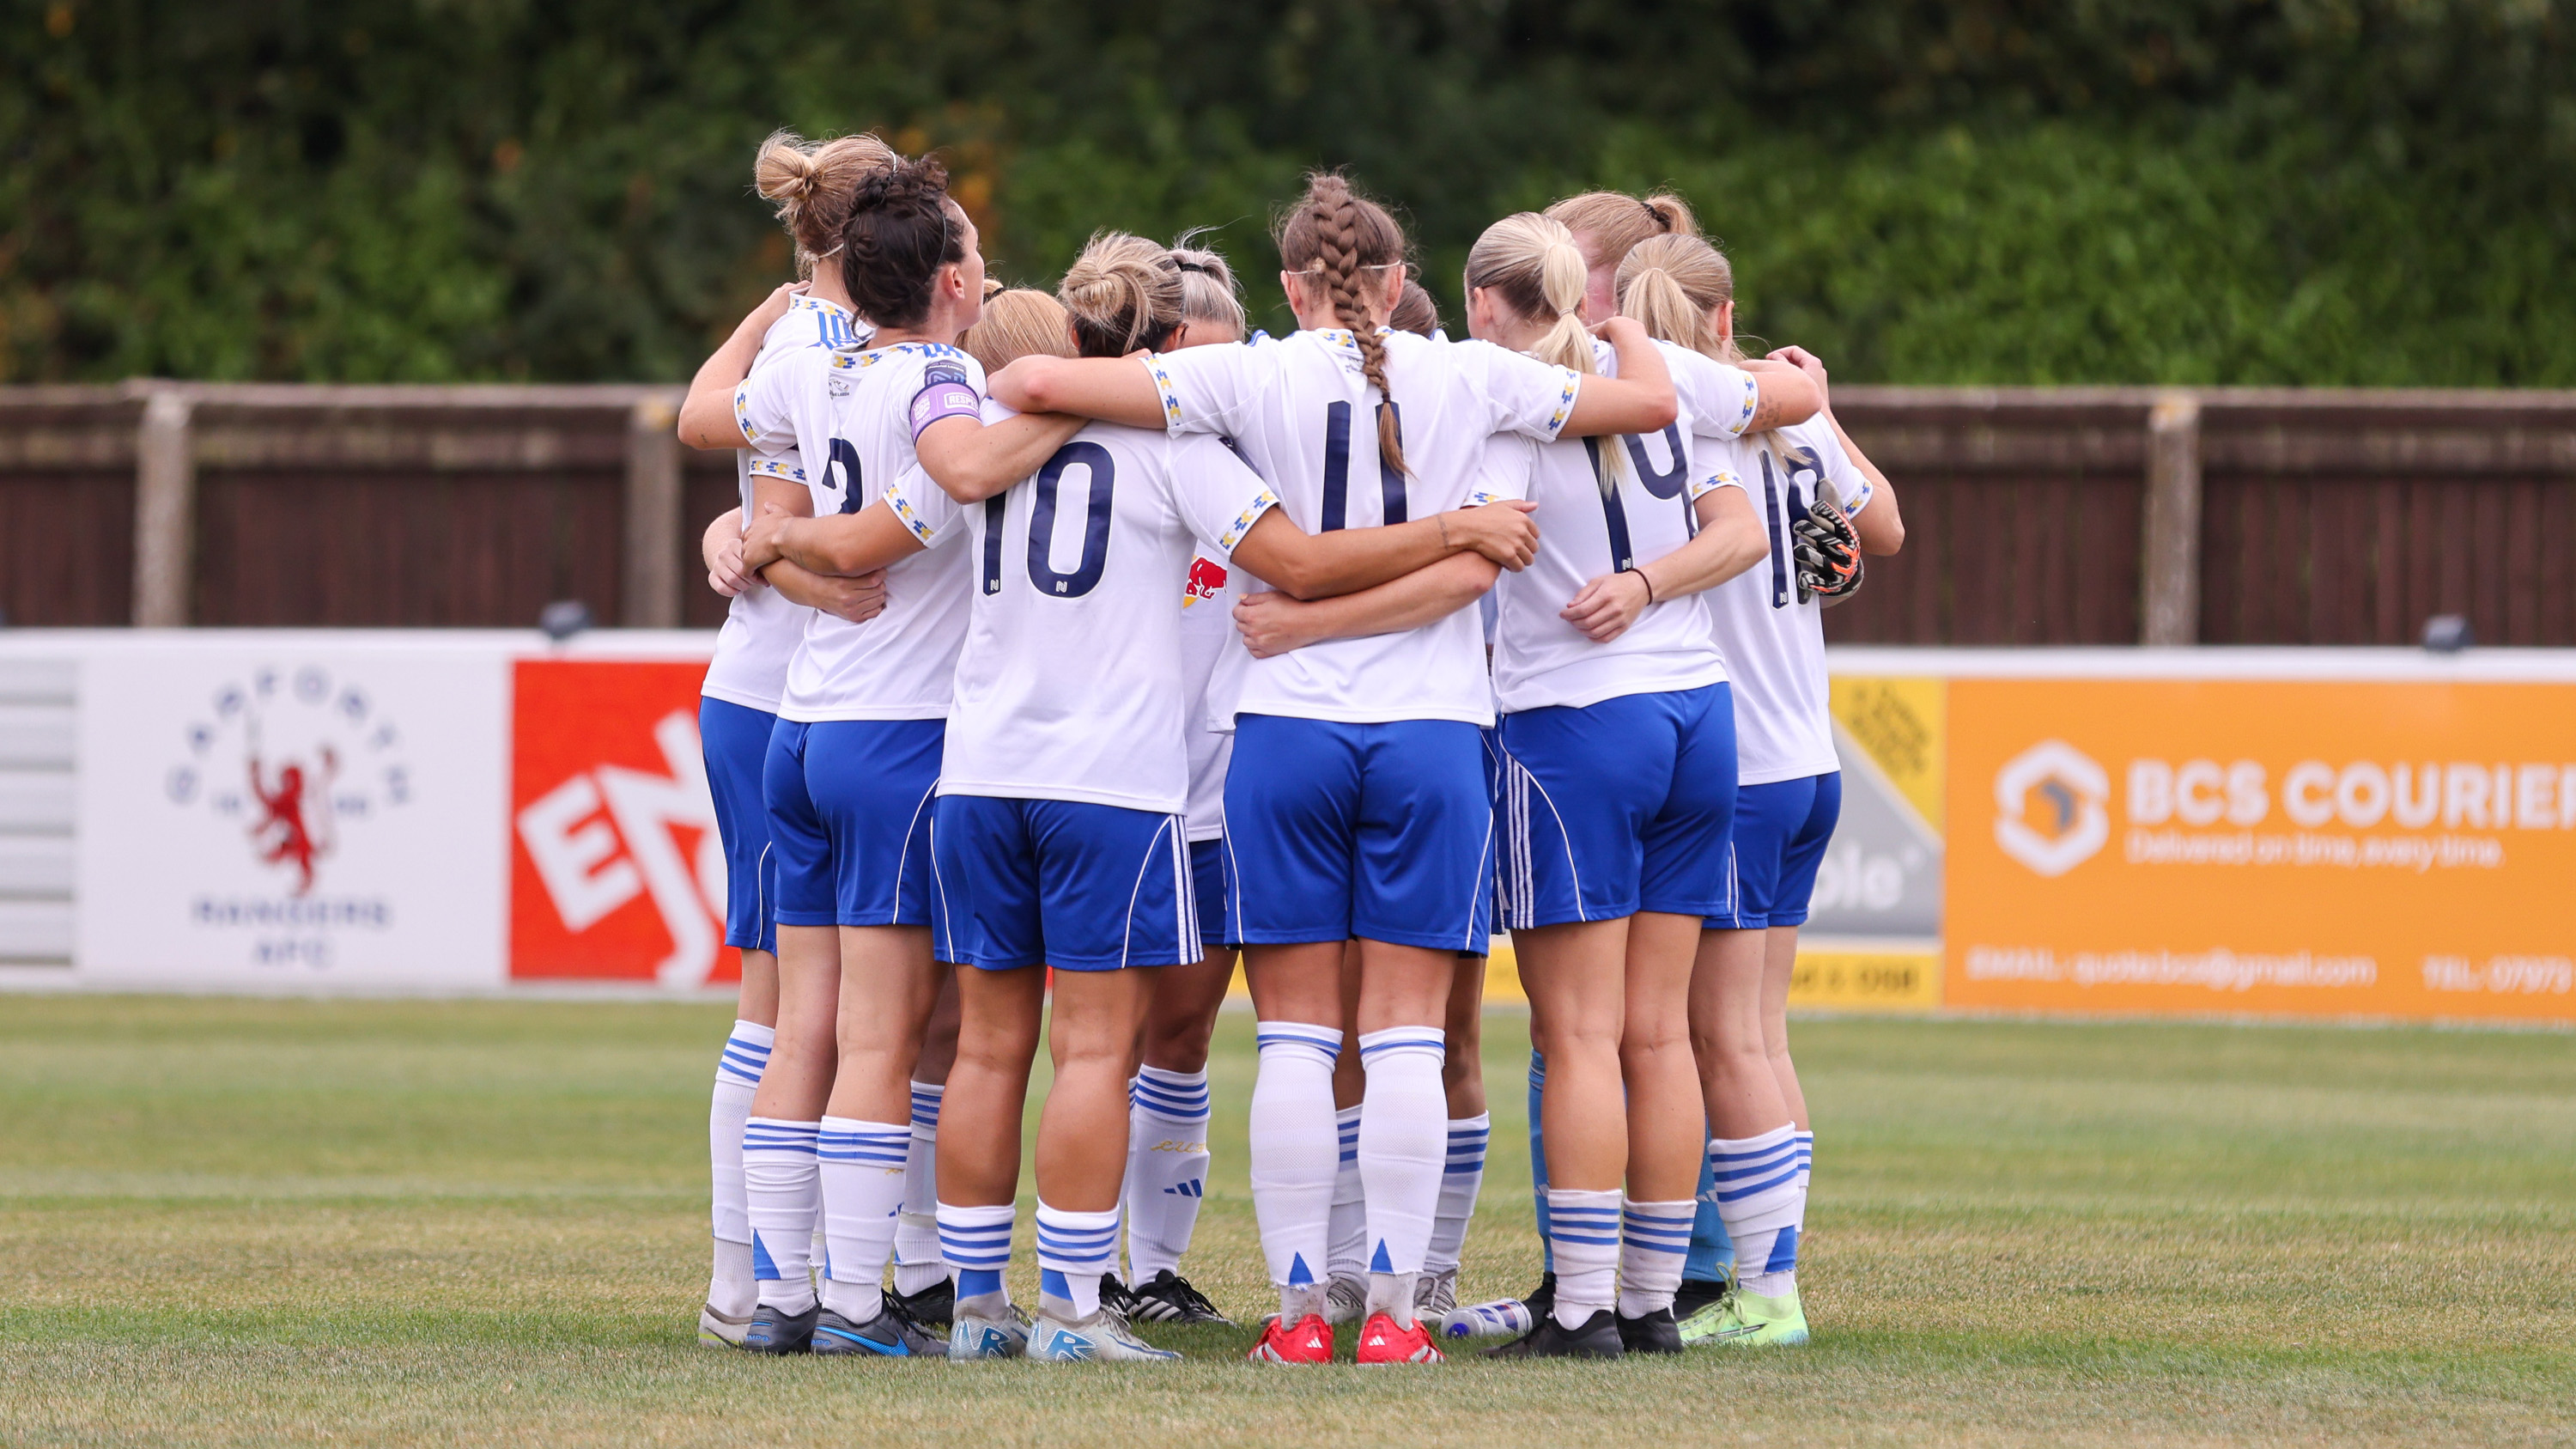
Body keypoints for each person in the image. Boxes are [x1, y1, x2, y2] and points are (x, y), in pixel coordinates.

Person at [992, 171, 1680, 1367]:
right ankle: (1399, 1315)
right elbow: (1649, 406)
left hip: (1286, 735)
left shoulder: (1251, 370)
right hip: (1432, 731)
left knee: (1300, 1038)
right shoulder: (1473, 372)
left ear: (1296, 286)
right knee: (1412, 1036)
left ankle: (1303, 1313)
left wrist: (1133, 393)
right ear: (1403, 282)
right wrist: (1624, 316)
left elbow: (1033, 378)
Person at [922, 233, 1545, 1363]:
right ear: (1164, 350)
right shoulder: (1181, 453)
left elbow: (924, 506)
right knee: (1107, 1047)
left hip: (978, 770)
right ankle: (1077, 1305)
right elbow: (1296, 562)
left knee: (985, 1047)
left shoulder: (983, 453)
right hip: (1111, 778)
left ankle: (972, 1304)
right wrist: (1454, 525)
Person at [726, 154, 1084, 1357]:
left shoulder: (815, 360)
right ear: (942, 283)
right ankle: (856, 1303)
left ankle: (778, 1295)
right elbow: (934, 495)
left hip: (804, 729)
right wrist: (1091, 393)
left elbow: (764, 517)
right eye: (974, 253)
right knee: (878, 1038)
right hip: (896, 735)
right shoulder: (941, 378)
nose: (988, 270)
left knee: (803, 1027)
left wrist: (785, 548)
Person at [1466, 213, 1812, 1359]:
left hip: (1576, 721)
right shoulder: (1660, 374)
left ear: (1487, 301)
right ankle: (1655, 1300)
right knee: (1657, 1034)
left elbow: (1482, 548)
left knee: (1579, 1033)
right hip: (1699, 717)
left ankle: (1580, 1309)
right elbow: (1738, 528)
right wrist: (1651, 583)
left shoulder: (1510, 389)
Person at [1617, 231, 1902, 1349]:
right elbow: (1882, 525)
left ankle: (1766, 1287)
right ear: (1729, 317)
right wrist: (1818, 405)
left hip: (1735, 765)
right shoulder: (1789, 419)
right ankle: (1768, 1275)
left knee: (1721, 1035)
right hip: (1809, 759)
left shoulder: (1684, 412)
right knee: (1760, 1033)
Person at [671, 129, 899, 1350]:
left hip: (774, 684)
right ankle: (753, 1277)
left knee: (812, 1003)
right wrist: (772, 550)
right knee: (793, 1005)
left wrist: (751, 535)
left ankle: (792, 1275)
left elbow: (700, 419)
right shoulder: (873, 342)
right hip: (802, 689)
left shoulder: (789, 337)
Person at [1113, 234, 1255, 1328]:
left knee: (1186, 1035)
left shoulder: (1271, 471)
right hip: (1115, 790)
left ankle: (1151, 1272)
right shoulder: (1100, 457)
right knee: (1093, 1041)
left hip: (1222, 800)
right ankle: (1069, 1275)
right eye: (1188, 369)